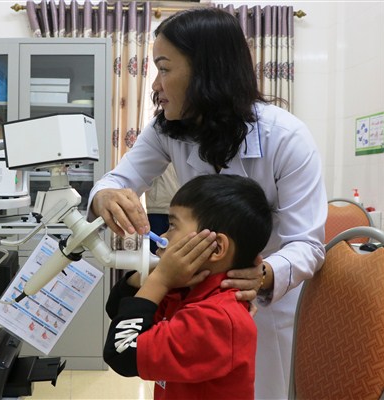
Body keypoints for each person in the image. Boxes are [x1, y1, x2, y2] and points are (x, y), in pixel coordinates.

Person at [88, 8, 327, 399]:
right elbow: (117, 181)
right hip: (197, 295)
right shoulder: (168, 129)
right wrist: (105, 196)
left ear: (206, 72)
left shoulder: (285, 137)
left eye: (164, 69)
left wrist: (263, 274)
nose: (156, 85)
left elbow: (308, 244)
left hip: (261, 302)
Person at [104, 174, 274, 399]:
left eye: (173, 226)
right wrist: (154, 274)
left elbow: (122, 352)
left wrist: (160, 280)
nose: (163, 235)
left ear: (216, 248)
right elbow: (118, 311)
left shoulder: (218, 319)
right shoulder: (187, 291)